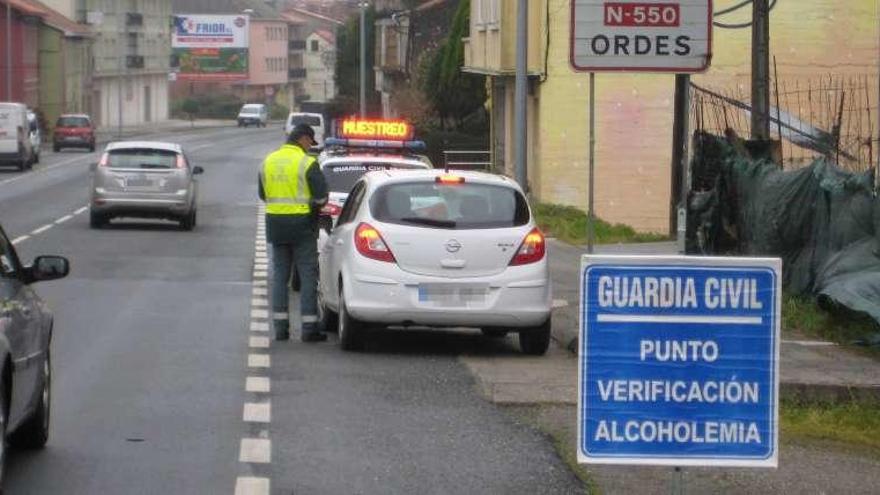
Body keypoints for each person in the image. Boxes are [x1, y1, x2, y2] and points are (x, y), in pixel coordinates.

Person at [259, 124, 329, 342]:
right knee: (307, 275)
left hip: (275, 224)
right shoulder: (307, 163)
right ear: (304, 139)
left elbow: (263, 194)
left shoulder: (267, 161)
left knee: (280, 276)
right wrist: (311, 208)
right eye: (310, 142)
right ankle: (309, 329)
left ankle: (280, 329)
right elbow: (321, 199)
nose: (310, 147)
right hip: (302, 225)